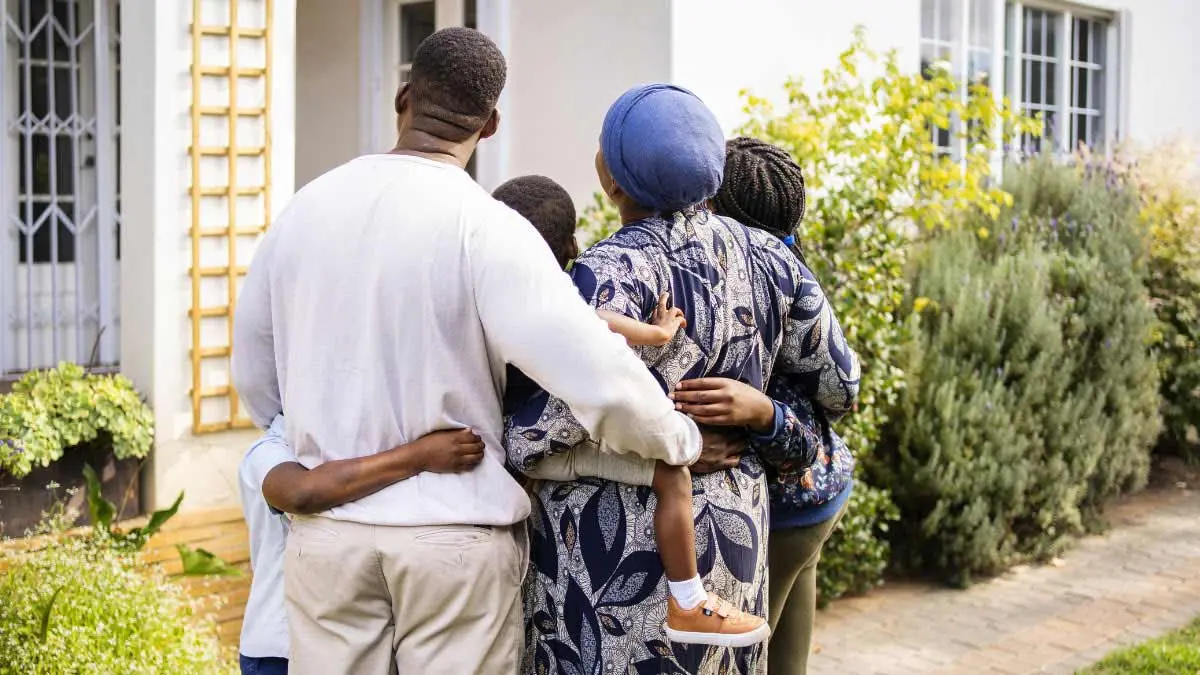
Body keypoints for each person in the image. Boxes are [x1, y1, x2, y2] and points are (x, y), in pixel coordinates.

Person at [230, 28, 702, 675]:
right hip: (450, 538)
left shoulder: (301, 213)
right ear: (492, 123)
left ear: (402, 97)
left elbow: (255, 380)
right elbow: (595, 370)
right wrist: (675, 439)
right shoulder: (486, 226)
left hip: (330, 537)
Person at [505, 85, 859, 674]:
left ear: (614, 181)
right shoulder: (772, 260)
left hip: (608, 560)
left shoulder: (604, 272)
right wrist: (752, 410)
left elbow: (539, 428)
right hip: (732, 544)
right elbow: (839, 387)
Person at [492, 175, 769, 647]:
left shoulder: (492, 284)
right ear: (572, 245)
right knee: (670, 471)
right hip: (534, 449)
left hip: (506, 449)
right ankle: (687, 600)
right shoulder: (548, 294)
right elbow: (597, 325)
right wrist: (659, 337)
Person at [675, 137, 859, 675]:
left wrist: (763, 410)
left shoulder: (747, 266)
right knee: (788, 660)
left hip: (779, 508)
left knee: (748, 655)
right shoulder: (788, 264)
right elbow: (841, 387)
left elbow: (844, 390)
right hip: (816, 496)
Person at [236, 417, 485, 675]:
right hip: (279, 648)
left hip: (352, 634)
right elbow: (300, 494)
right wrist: (420, 456)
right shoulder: (269, 449)